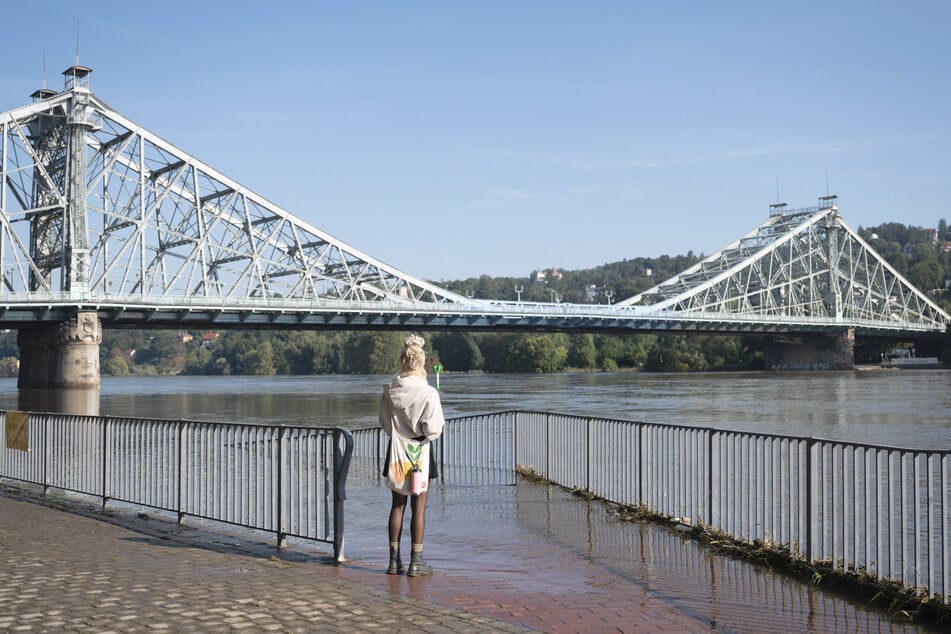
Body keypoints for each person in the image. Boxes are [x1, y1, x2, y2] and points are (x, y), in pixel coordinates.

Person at [379, 335, 445, 576]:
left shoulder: (389, 391)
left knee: (397, 506)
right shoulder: (428, 393)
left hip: (397, 452)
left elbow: (385, 425)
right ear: (421, 363)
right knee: (419, 507)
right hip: (421, 454)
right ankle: (416, 562)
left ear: (402, 361)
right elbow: (434, 429)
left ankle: (393, 562)